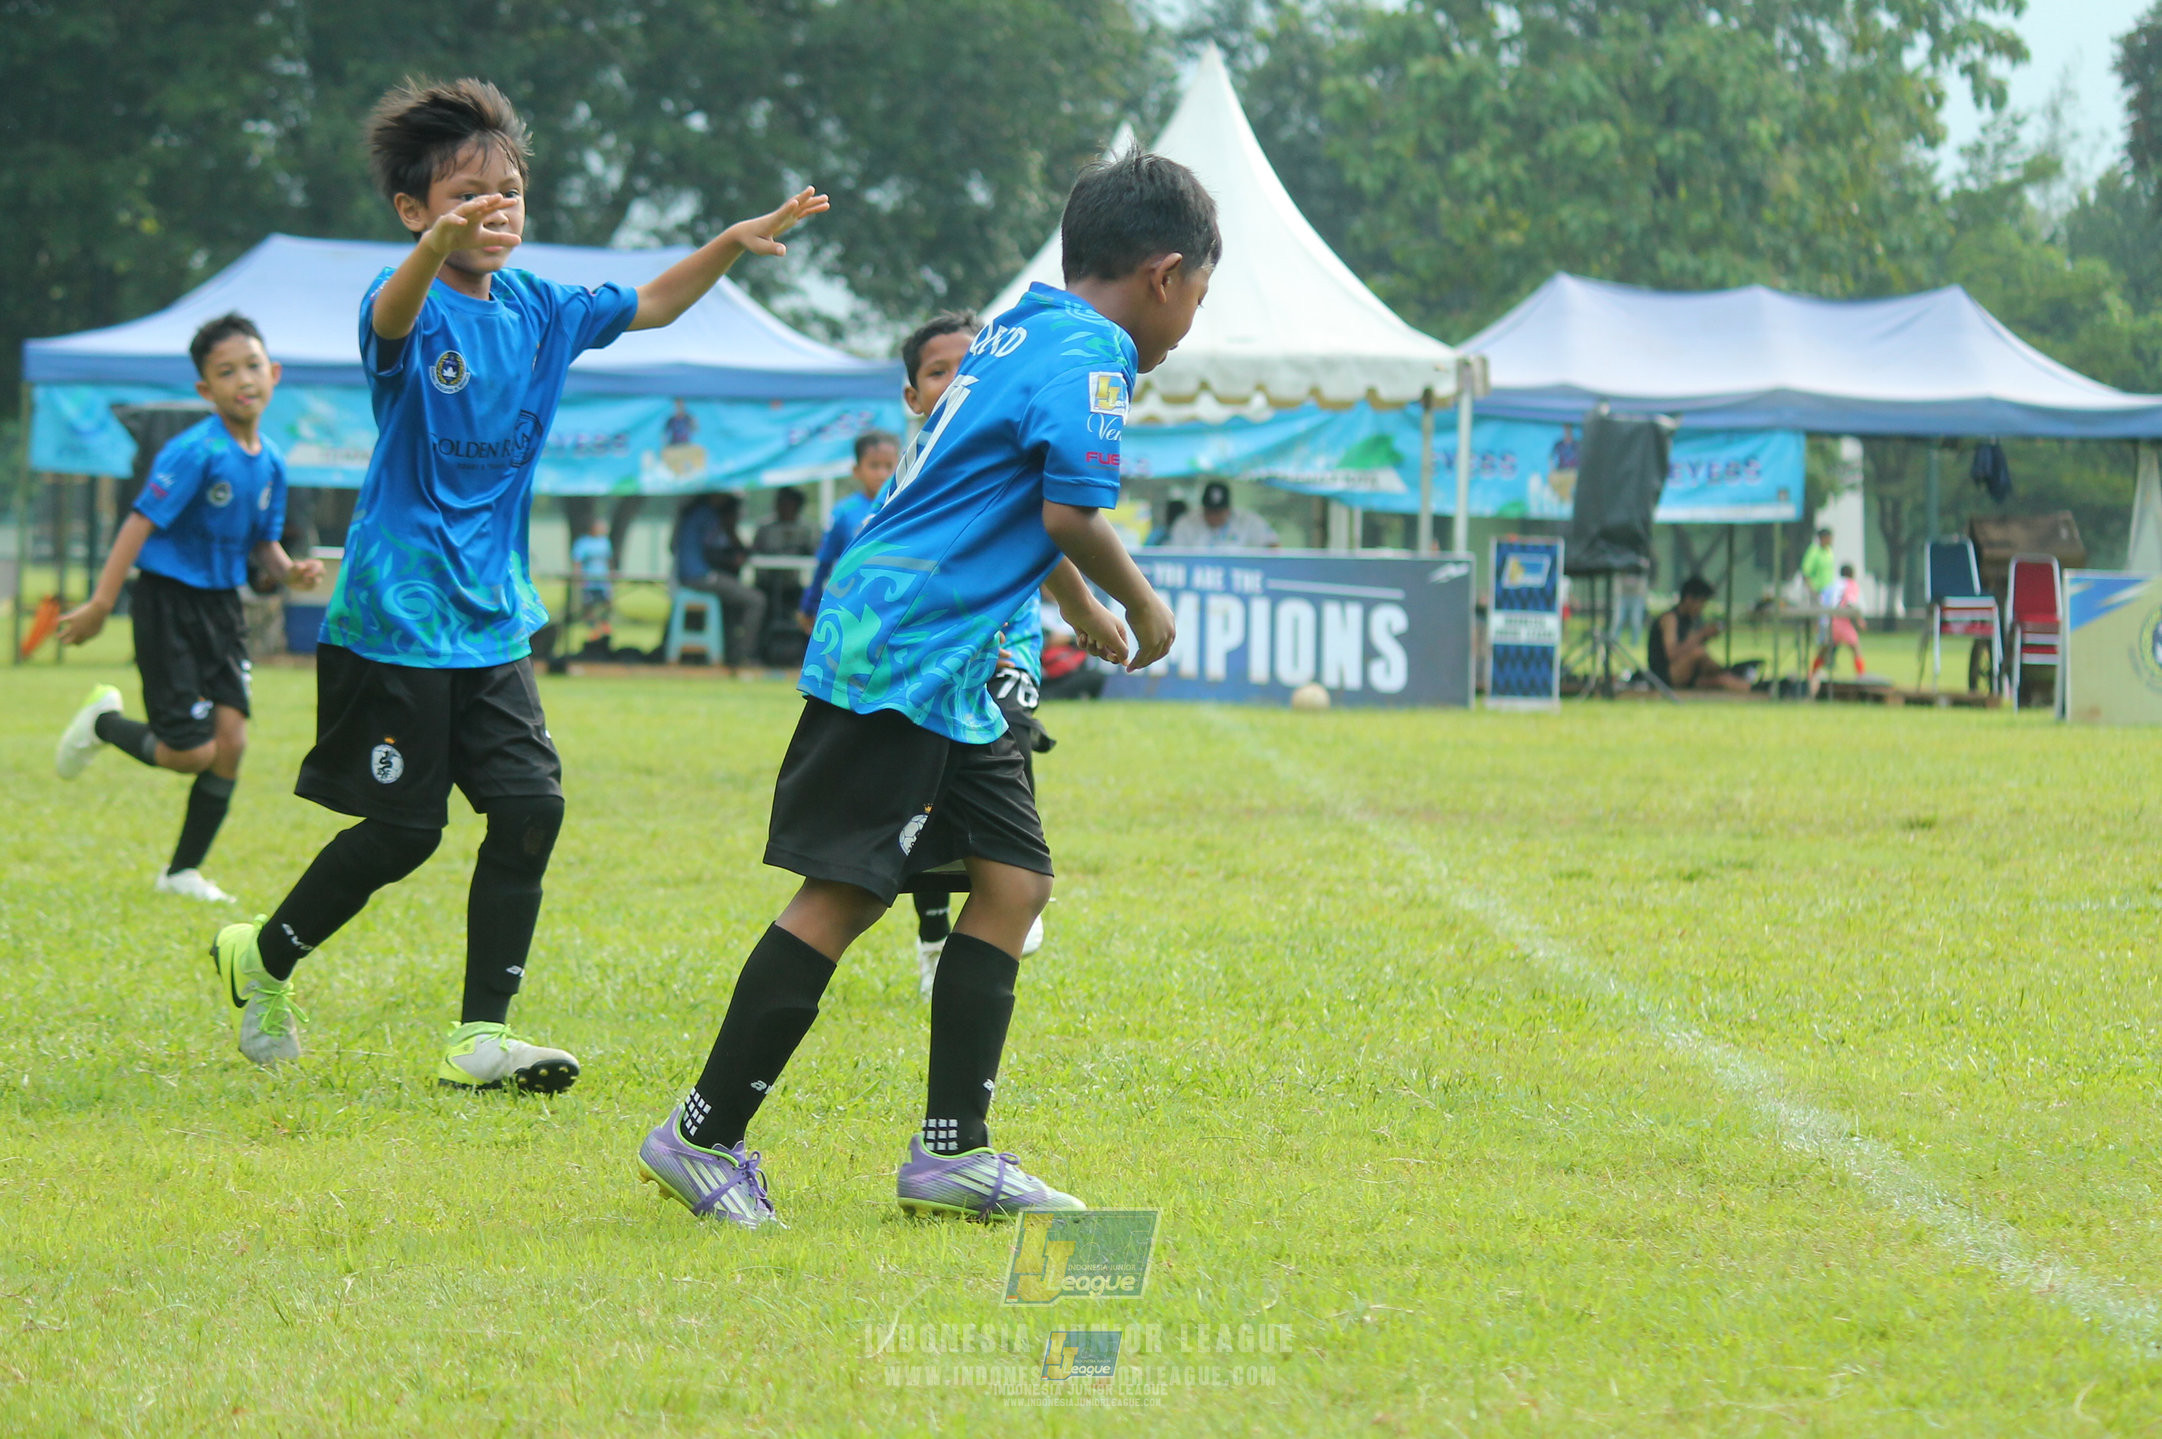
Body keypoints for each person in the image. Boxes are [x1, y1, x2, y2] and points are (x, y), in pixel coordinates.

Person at [203, 77, 829, 1083]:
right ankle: (263, 954)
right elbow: (397, 310)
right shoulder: (402, 298)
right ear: (415, 210)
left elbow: (656, 301)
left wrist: (730, 239)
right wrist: (433, 249)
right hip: (397, 615)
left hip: (492, 615)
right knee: (405, 834)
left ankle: (478, 1036)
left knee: (531, 804)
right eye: (466, 194)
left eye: (509, 191)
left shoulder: (542, 309)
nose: (494, 208)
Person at [636, 150, 1214, 1228]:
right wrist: (1139, 602)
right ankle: (700, 1134)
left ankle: (951, 1151)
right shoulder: (1094, 355)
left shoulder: (1019, 327)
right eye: (1197, 297)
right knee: (846, 890)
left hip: (951, 653)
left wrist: (1075, 607)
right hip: (906, 644)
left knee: (1010, 882)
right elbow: (1068, 512)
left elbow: (995, 485)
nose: (1187, 322)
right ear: (1164, 274)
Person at [54, 313, 324, 902]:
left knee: (232, 742)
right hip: (167, 603)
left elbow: (263, 542)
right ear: (206, 390)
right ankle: (103, 723)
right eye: (225, 372)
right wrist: (103, 601)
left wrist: (290, 572)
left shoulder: (271, 460)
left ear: (273, 374)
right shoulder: (194, 450)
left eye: (252, 366)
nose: (243, 380)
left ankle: (182, 872)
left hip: (223, 607)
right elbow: (138, 522)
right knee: (188, 753)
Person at [891, 312, 1055, 996]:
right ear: (914, 396)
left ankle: (1011, 878)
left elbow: (1055, 524)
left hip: (1005, 652)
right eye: (938, 371)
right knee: (919, 799)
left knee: (1007, 734)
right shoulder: (906, 480)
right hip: (926, 660)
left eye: (969, 367)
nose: (957, 381)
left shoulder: (1011, 452)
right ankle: (933, 937)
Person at [795, 431, 900, 629]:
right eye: (874, 466)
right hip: (851, 606)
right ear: (856, 470)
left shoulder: (905, 509)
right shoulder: (844, 512)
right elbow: (824, 562)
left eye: (888, 466)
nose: (882, 474)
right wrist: (809, 605)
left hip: (893, 606)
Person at [673, 492, 766, 667]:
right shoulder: (707, 515)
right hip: (698, 576)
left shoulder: (694, 512)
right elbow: (714, 551)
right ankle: (744, 657)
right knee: (756, 600)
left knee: (733, 599)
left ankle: (732, 652)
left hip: (692, 574)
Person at [1647, 576, 1749, 692]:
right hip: (1664, 674)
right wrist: (1700, 635)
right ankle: (1730, 671)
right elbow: (1671, 653)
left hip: (1682, 670)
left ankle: (1735, 677)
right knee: (1698, 653)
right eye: (1701, 603)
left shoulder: (1687, 620)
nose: (1701, 609)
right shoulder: (1670, 619)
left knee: (1723, 680)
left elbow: (1688, 645)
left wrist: (1705, 637)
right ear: (1689, 599)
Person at [1169, 480, 1278, 547]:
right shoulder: (1185, 523)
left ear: (1228, 509)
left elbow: (1273, 545)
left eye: (1218, 512)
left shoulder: (1247, 521)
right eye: (1210, 511)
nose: (1214, 516)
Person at [1811, 563, 1868, 682]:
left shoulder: (1832, 584)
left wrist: (1818, 621)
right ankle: (1861, 676)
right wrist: (1859, 620)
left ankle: (1812, 673)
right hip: (1842, 619)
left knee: (1824, 649)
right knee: (1855, 647)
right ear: (1852, 575)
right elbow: (1850, 603)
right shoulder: (1851, 585)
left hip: (1829, 620)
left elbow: (1822, 600)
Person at [570, 516, 613, 631]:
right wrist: (578, 576)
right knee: (589, 605)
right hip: (589, 580)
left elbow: (609, 559)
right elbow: (577, 560)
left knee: (607, 603)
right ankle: (592, 629)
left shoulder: (605, 542)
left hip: (603, 580)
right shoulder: (583, 542)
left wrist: (611, 574)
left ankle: (604, 626)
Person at [752, 486, 817, 556]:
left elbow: (814, 553)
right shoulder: (765, 528)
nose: (785, 508)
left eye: (789, 504)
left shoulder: (809, 529)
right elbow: (755, 553)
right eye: (782, 503)